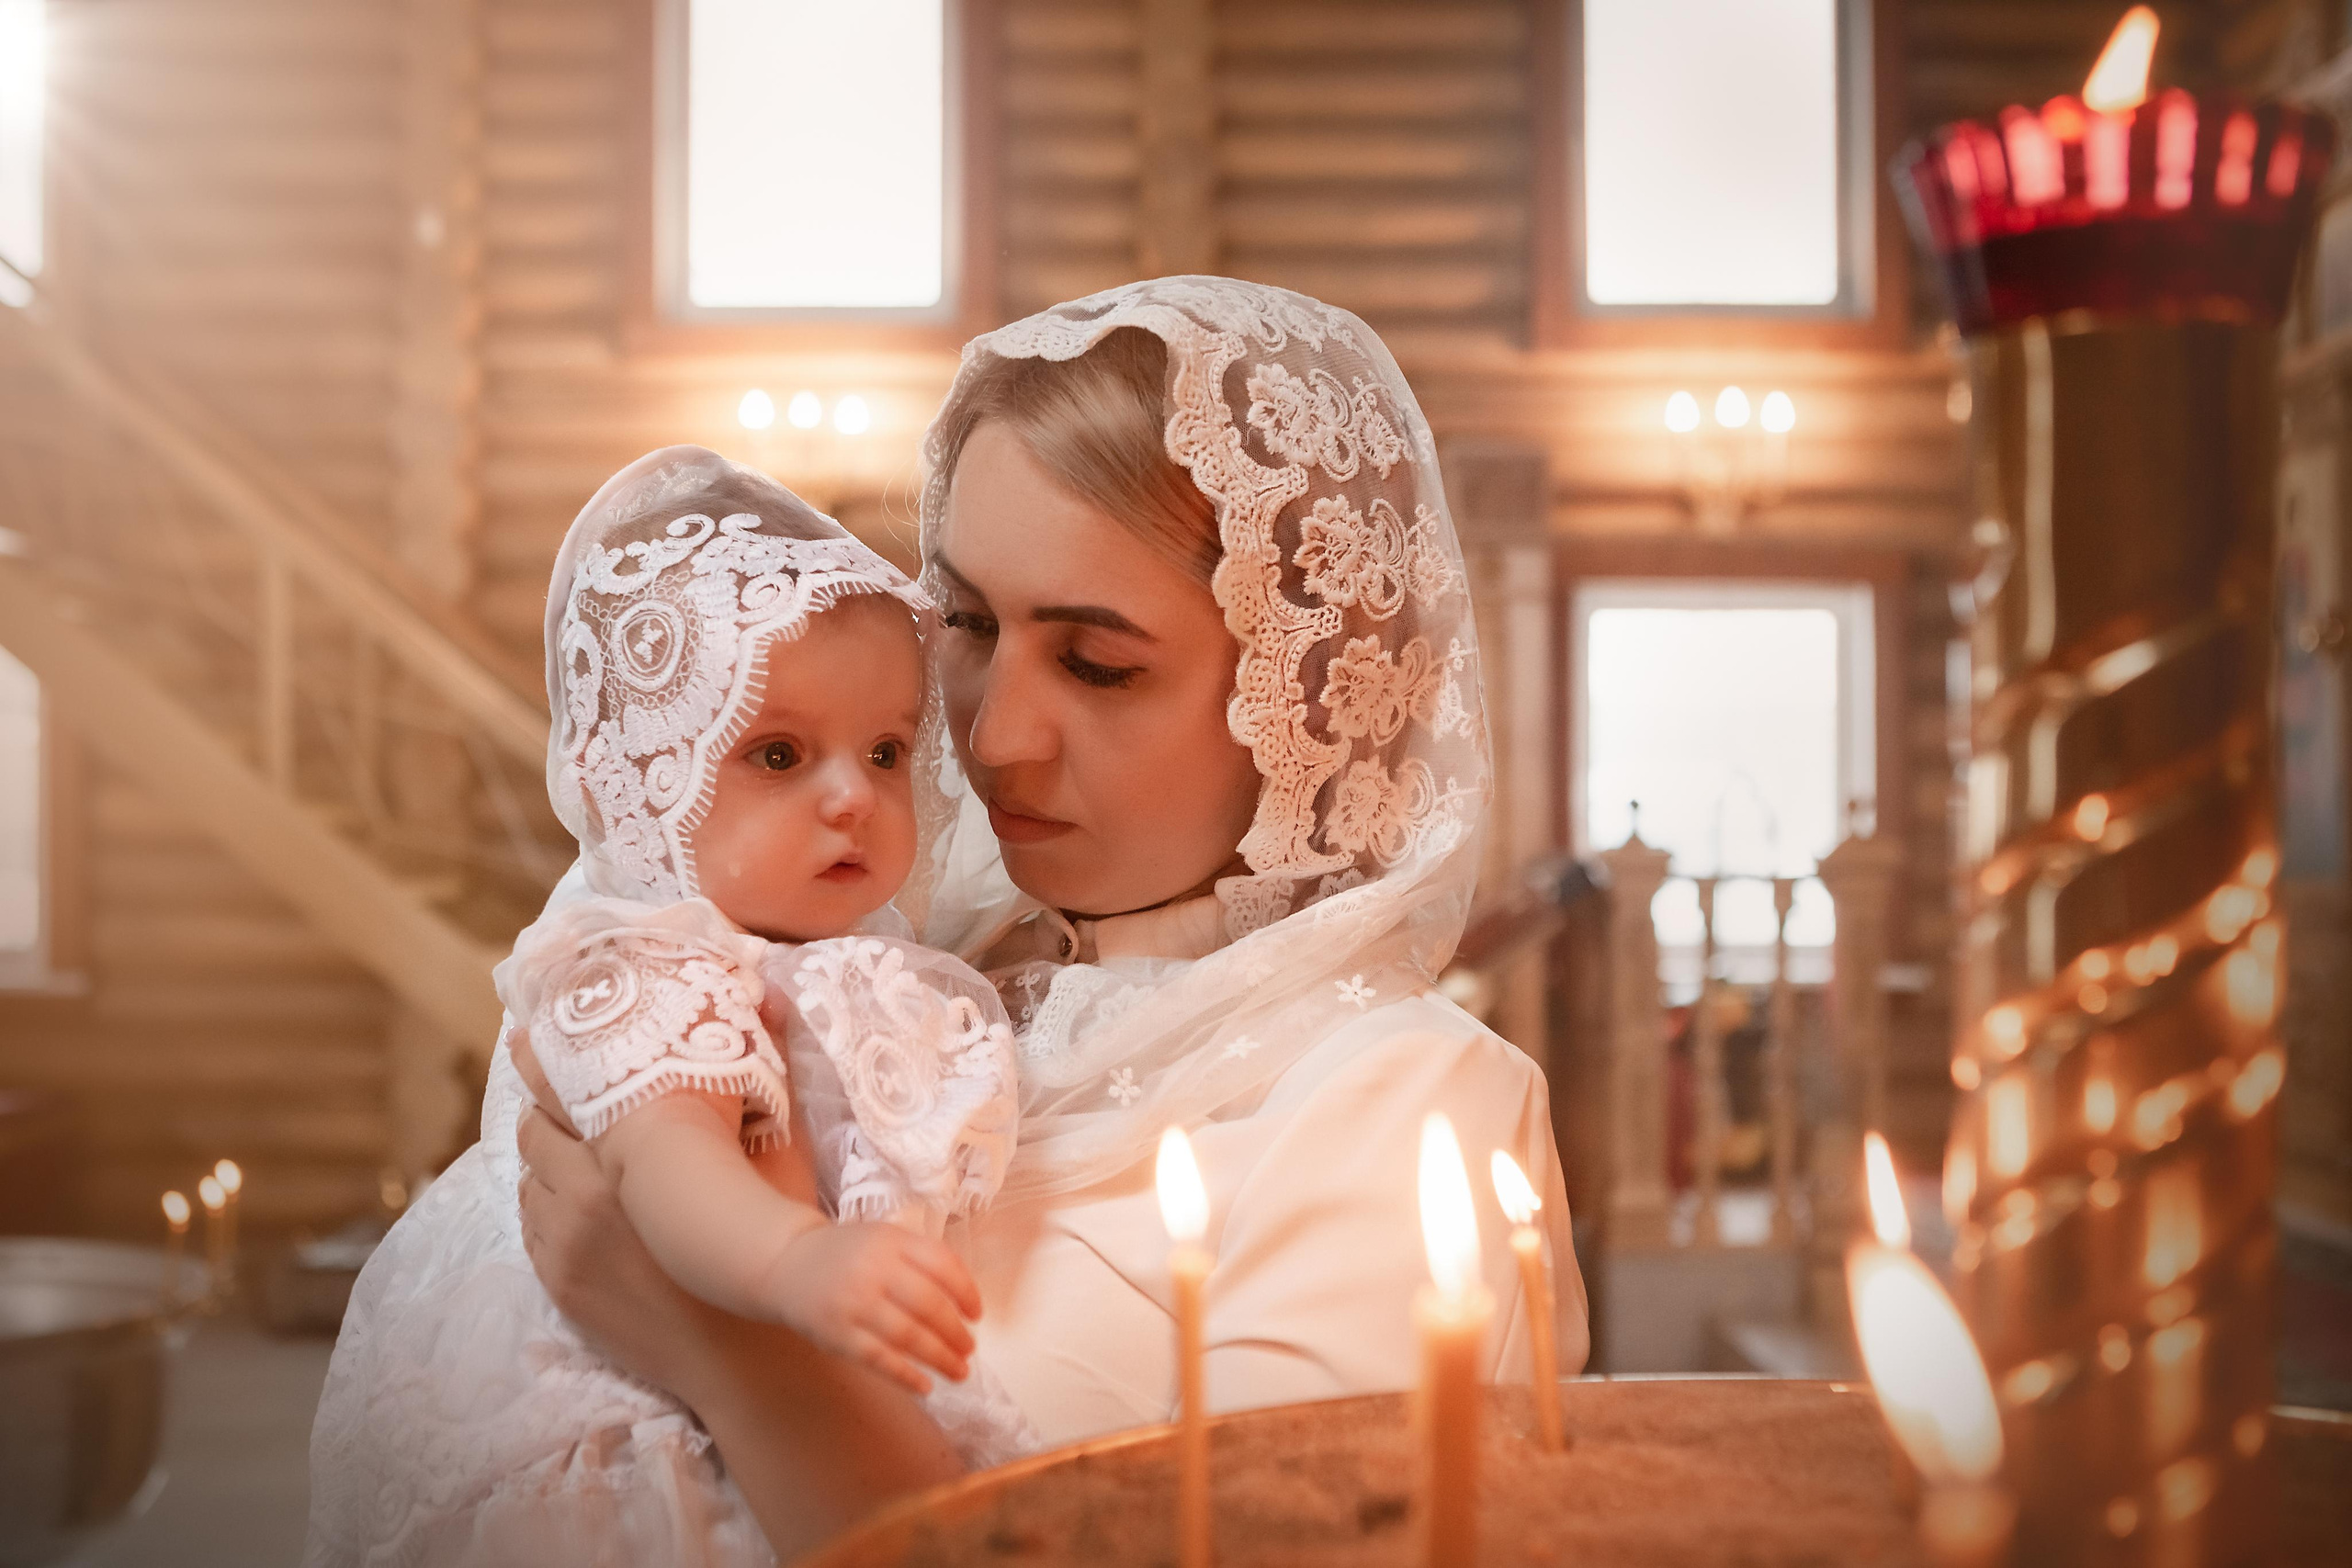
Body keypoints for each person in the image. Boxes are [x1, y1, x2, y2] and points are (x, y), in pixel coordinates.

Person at [508, 278, 1592, 1562]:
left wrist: (727, 1346)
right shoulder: (905, 970)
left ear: (1304, 690)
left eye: (1097, 662)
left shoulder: (1407, 1105)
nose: (994, 733)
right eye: (965, 624)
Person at [305, 449, 1032, 1568]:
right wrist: (796, 1261)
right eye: (778, 754)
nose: (853, 795)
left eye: (886, 750)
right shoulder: (656, 964)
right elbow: (667, 1159)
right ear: (636, 786)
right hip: (643, 1409)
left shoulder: (855, 955)